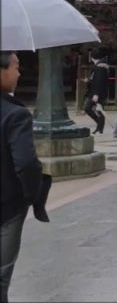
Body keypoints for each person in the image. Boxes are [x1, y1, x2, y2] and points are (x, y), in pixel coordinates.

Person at [1, 52, 44, 303]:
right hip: (7, 206)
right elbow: (26, 163)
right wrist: (30, 195)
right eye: (16, 67)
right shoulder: (15, 115)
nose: (18, 73)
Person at [83, 51, 110, 134]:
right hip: (98, 91)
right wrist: (90, 81)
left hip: (96, 92)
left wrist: (96, 94)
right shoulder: (101, 66)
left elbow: (99, 81)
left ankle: (100, 124)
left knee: (89, 108)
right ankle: (99, 126)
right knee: (95, 109)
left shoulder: (100, 67)